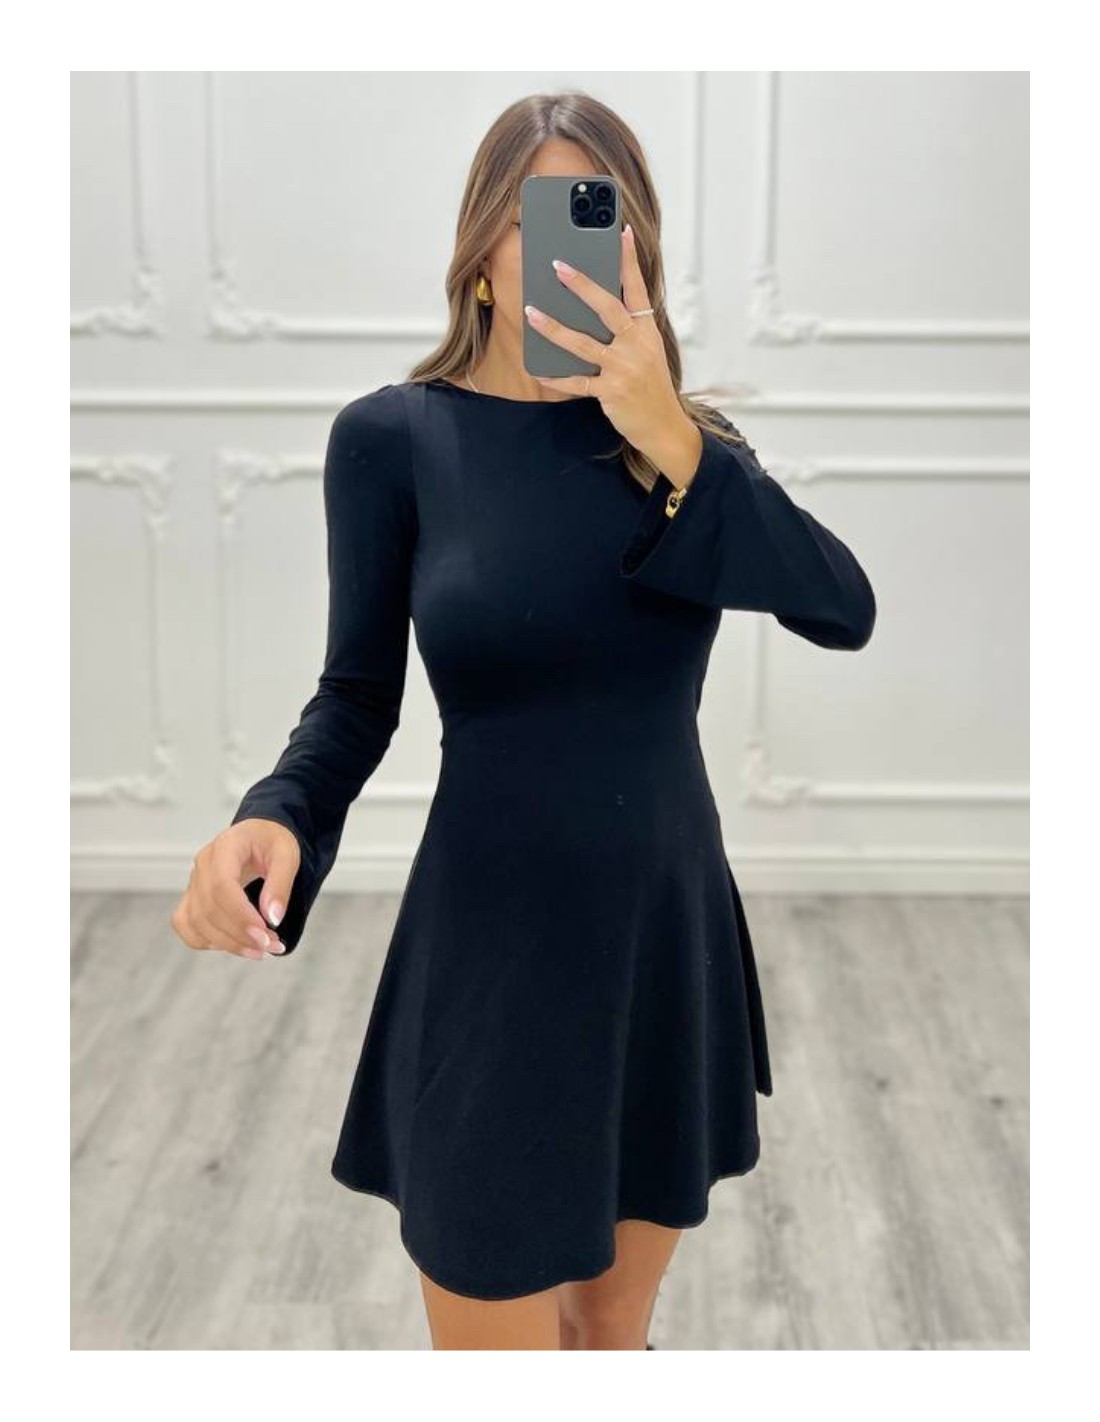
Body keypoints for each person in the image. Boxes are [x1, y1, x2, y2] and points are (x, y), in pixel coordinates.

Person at [171, 91, 876, 1351]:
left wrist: (672, 437)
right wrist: (272, 814)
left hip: (659, 936)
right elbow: (354, 697)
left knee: (607, 1337)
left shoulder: (684, 452)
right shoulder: (393, 440)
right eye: (538, 217)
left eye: (602, 222)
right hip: (490, 950)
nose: (571, 251)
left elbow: (842, 608)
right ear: (482, 254)